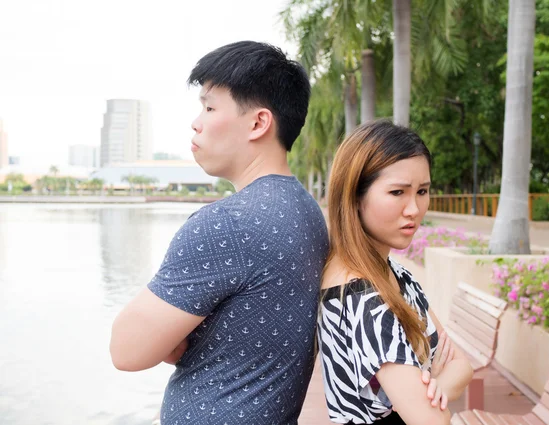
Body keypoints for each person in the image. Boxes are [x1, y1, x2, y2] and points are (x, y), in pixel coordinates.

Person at [110, 41, 329, 425]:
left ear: (259, 123)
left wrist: (174, 335)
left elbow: (126, 350)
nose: (197, 122)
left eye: (210, 107)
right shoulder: (306, 210)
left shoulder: (227, 224)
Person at [318, 120, 473, 425]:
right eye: (397, 192)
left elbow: (463, 367)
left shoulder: (397, 275)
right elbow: (432, 420)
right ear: (355, 197)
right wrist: (432, 378)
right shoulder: (361, 297)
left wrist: (431, 388)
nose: (414, 209)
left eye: (422, 191)